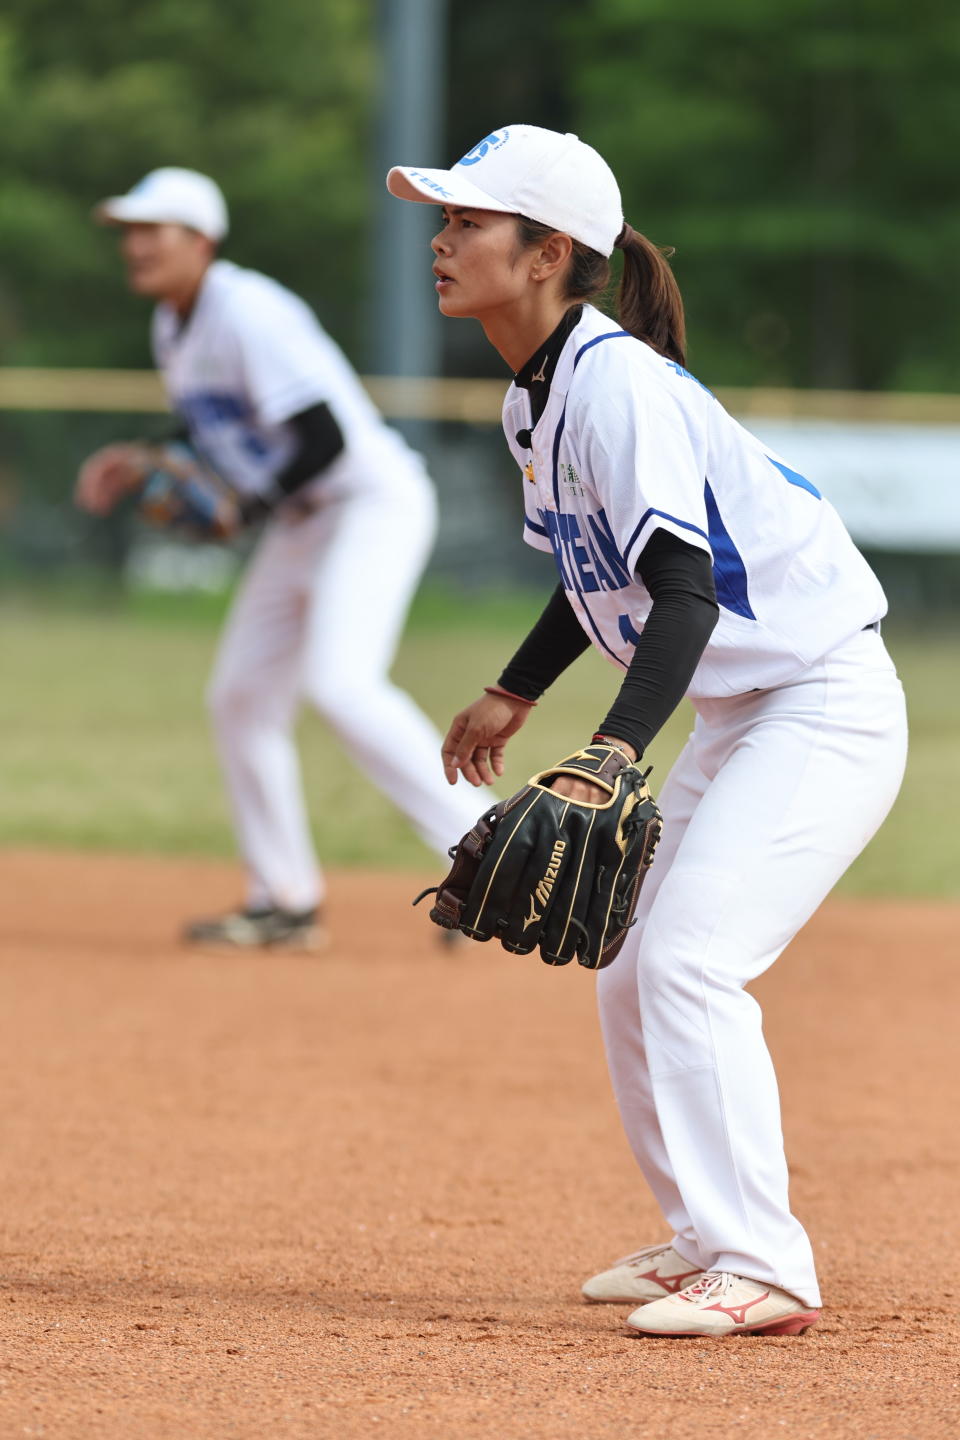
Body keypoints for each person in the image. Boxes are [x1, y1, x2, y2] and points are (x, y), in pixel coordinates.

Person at [387, 125, 907, 1337]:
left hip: (820, 700)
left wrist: (611, 748)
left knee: (688, 958)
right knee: (630, 965)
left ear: (547, 253)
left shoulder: (615, 384)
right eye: (446, 218)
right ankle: (703, 1239)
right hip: (746, 704)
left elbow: (685, 593)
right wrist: (517, 691)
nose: (442, 239)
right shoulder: (540, 393)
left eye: (470, 221)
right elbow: (595, 574)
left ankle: (767, 1265)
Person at [76, 166, 483, 950]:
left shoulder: (248, 309)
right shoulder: (174, 323)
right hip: (302, 520)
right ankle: (284, 900)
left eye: (151, 230)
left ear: (202, 241)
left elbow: (324, 434)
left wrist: (246, 506)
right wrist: (144, 454)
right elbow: (222, 426)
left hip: (368, 502)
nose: (134, 245)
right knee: (240, 697)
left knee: (341, 683)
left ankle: (496, 857)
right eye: (127, 231)